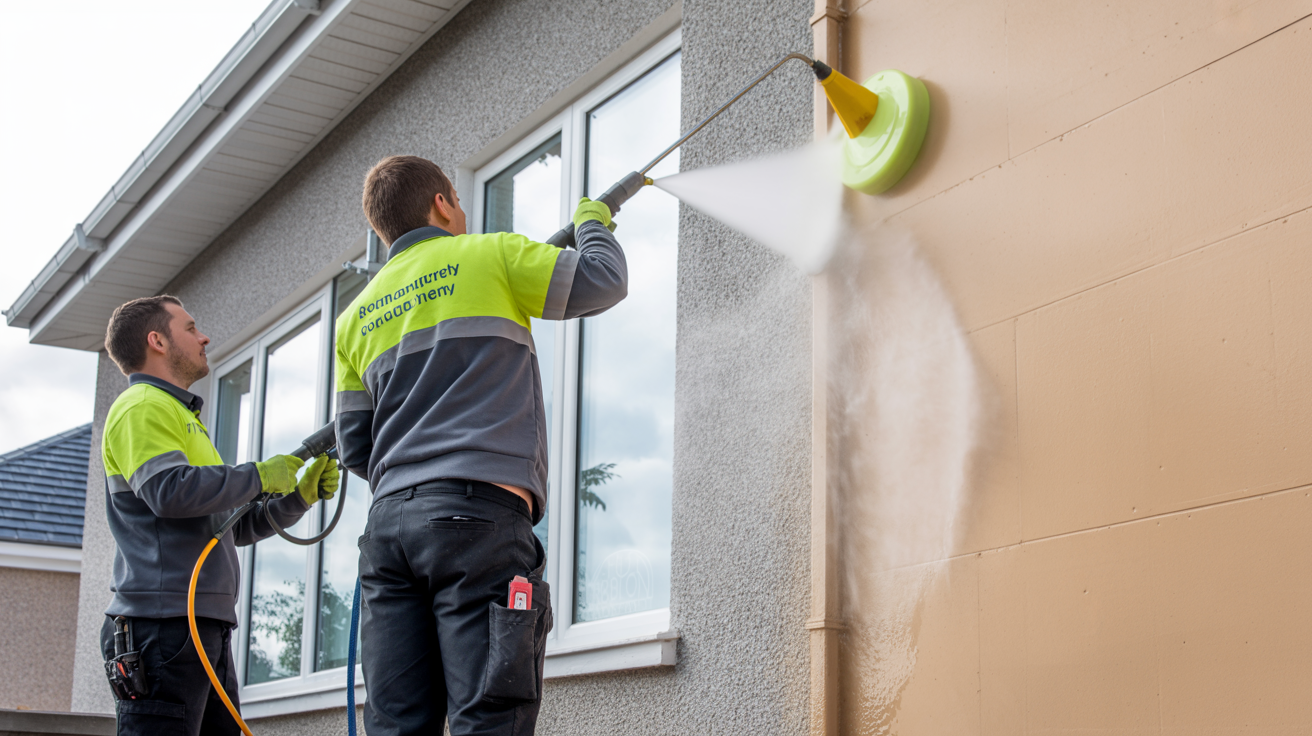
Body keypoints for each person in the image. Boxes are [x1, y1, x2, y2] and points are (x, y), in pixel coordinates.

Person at [335, 155, 628, 735]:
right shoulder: (489, 255)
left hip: (389, 534)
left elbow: (353, 448)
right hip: (477, 522)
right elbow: (603, 280)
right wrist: (592, 223)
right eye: (458, 200)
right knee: (488, 720)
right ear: (441, 203)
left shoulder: (354, 318)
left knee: (397, 727)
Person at [99, 295, 339, 736]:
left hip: (198, 625)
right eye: (190, 328)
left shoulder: (181, 417)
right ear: (157, 341)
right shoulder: (142, 406)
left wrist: (298, 497)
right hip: (163, 626)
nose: (204, 337)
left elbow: (230, 526)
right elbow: (167, 491)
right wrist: (259, 475)